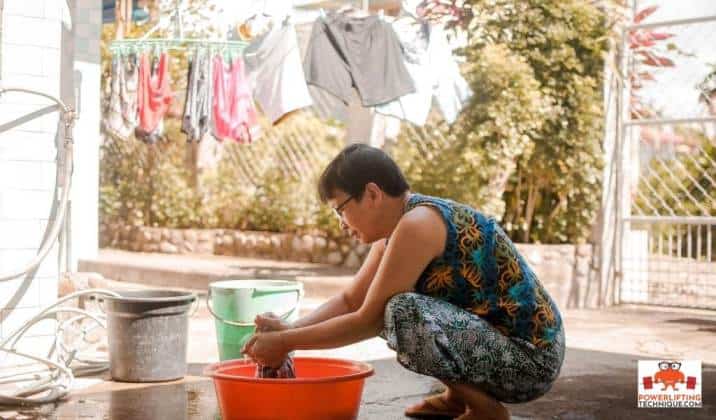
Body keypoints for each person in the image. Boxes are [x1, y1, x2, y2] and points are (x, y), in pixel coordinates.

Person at [242, 144, 565, 420]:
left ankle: (487, 411)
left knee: (400, 311)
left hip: (531, 360)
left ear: (371, 194)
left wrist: (287, 344)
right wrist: (289, 330)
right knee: (392, 305)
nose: (341, 224)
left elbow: (366, 320)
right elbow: (351, 301)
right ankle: (458, 397)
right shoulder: (397, 228)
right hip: (498, 347)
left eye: (339, 210)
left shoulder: (418, 224)